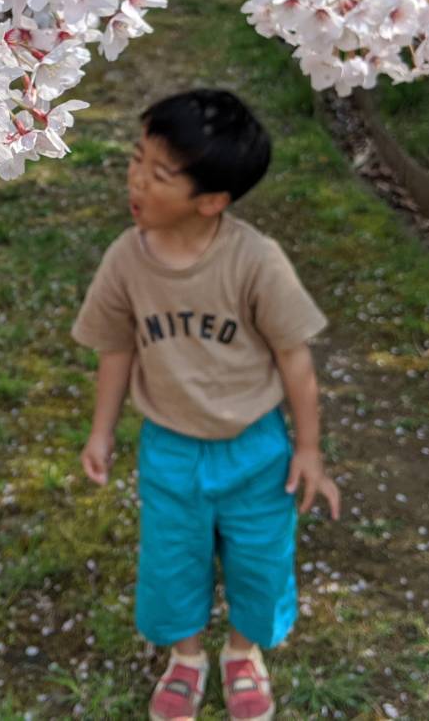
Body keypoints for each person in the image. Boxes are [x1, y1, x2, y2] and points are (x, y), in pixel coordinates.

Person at [72, 87, 341, 721]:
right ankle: (187, 657)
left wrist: (307, 448)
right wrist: (101, 432)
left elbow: (294, 360)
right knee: (172, 563)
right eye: (137, 159)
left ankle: (244, 653)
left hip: (257, 450)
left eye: (159, 174)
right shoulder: (125, 261)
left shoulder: (255, 262)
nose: (135, 180)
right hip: (169, 449)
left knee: (261, 561)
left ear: (212, 200)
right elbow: (115, 349)